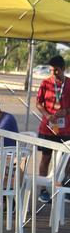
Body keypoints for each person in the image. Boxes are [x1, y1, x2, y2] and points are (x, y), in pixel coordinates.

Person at [35, 54, 70, 202]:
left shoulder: (69, 84)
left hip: (66, 129)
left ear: (63, 69)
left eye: (56, 70)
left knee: (66, 161)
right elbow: (38, 103)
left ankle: (64, 187)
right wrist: (46, 114)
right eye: (51, 70)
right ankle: (43, 190)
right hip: (48, 128)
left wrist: (66, 111)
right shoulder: (45, 83)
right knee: (45, 158)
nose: (53, 73)